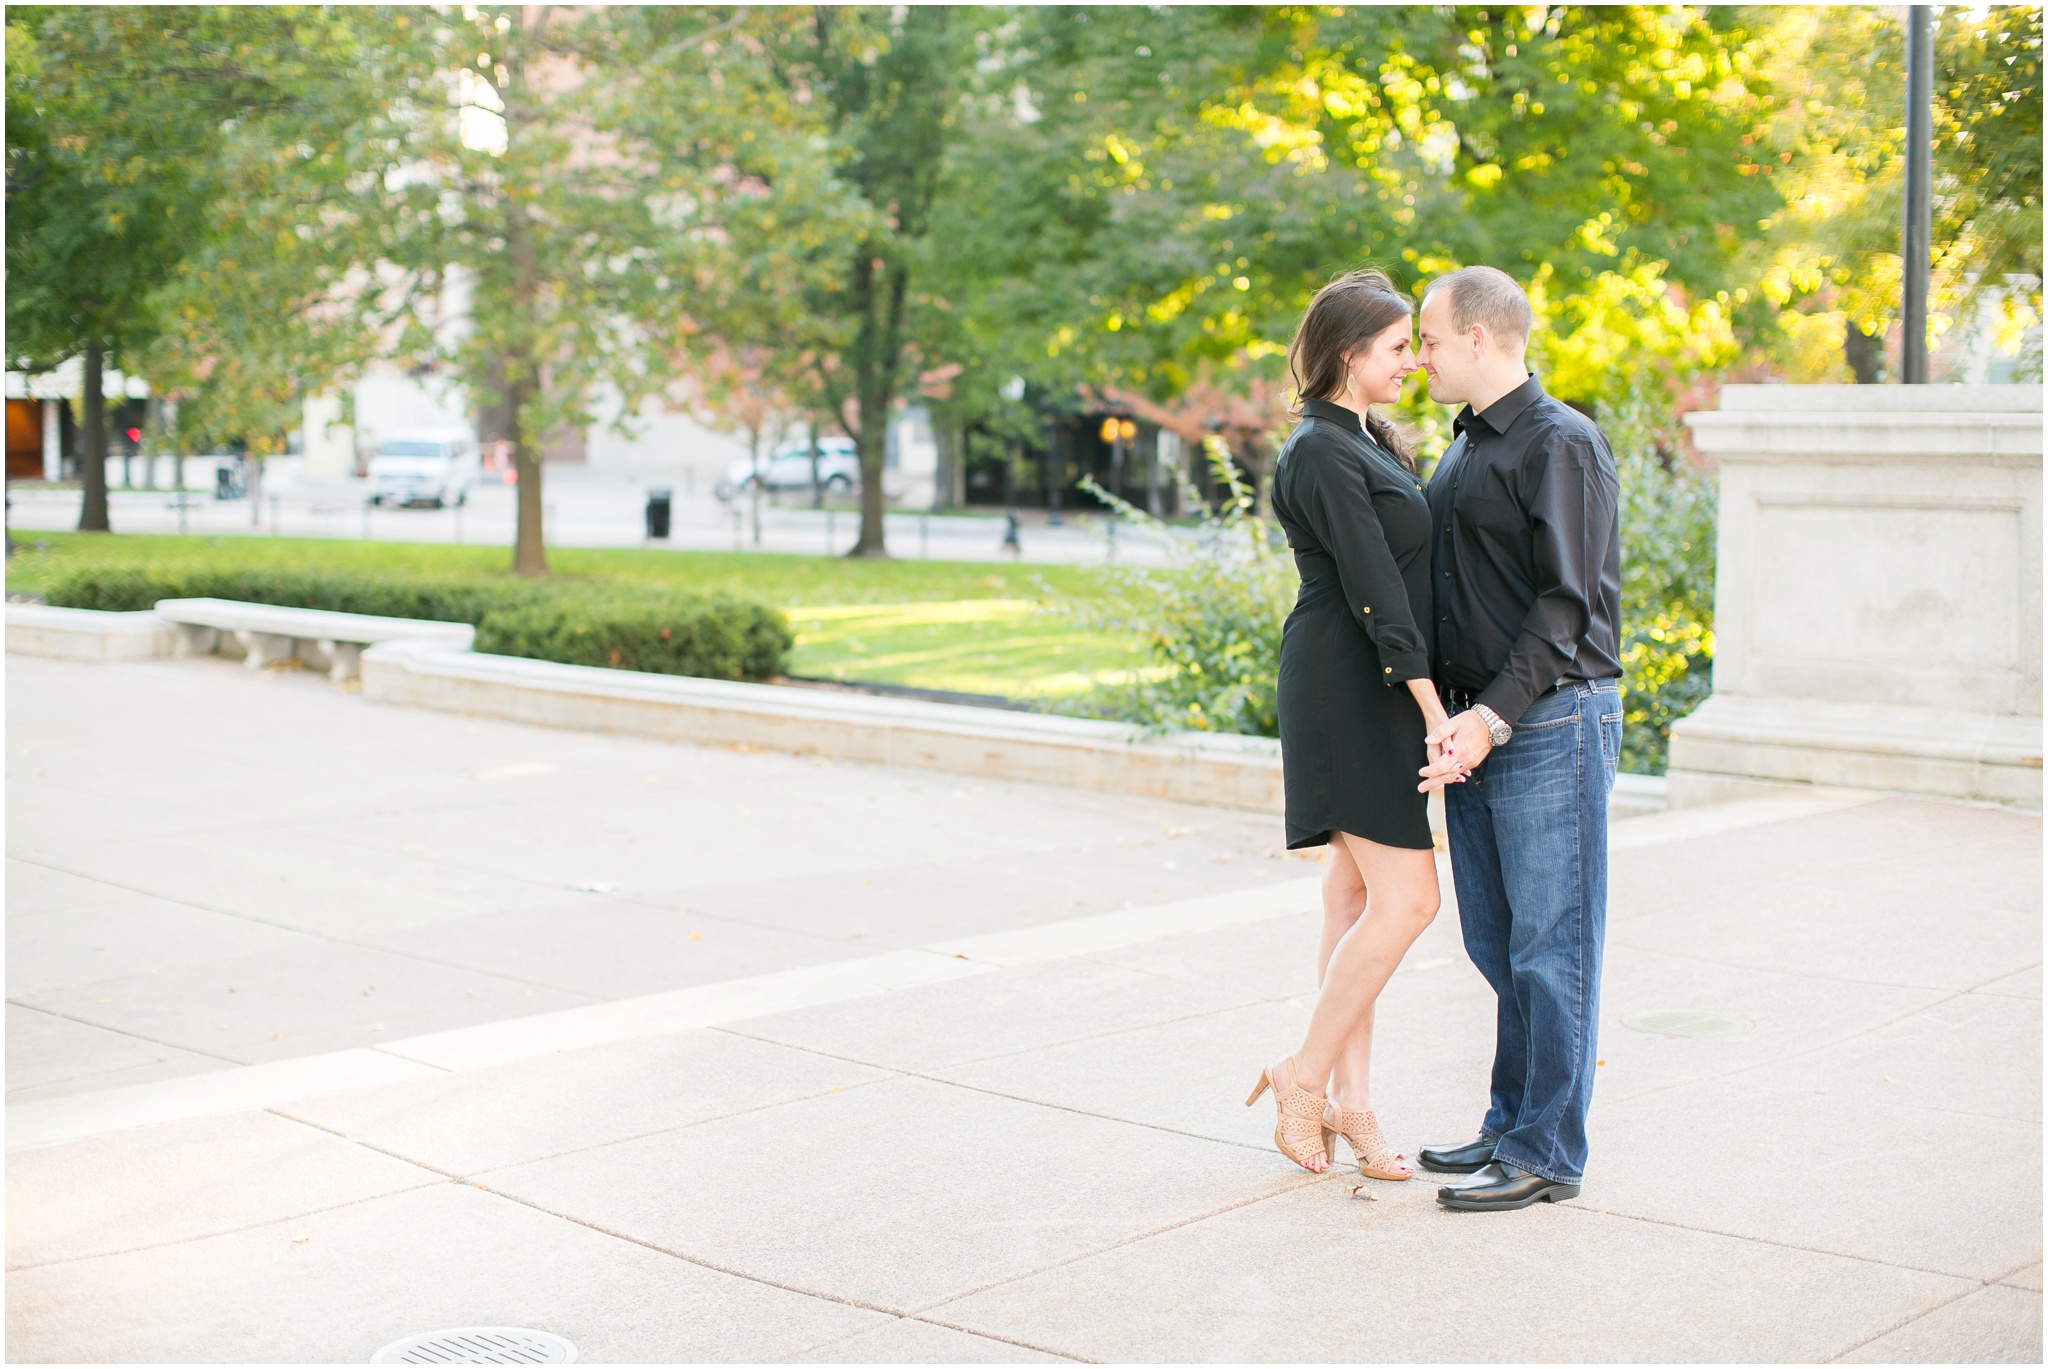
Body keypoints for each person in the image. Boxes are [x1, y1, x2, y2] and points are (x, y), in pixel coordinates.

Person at [1411, 265, 1623, 1213]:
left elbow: (1565, 604)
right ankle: (1509, 1124)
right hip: (1476, 730)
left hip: (1547, 722)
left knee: (1552, 946)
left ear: (1481, 340)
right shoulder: (1462, 450)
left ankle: (1547, 1151)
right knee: (1498, 944)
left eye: (1430, 339)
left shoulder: (1561, 442)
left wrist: (1491, 717)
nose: (1420, 355)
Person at [1245, 269, 1451, 1181]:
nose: (1415, 361)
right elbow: (1374, 588)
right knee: (1410, 901)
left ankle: (1350, 1104)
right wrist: (1434, 707)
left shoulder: (1364, 439)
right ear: (1348, 353)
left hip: (1368, 682)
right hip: (1347, 683)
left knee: (1355, 897)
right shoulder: (1321, 452)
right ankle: (1303, 1075)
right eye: (1401, 346)